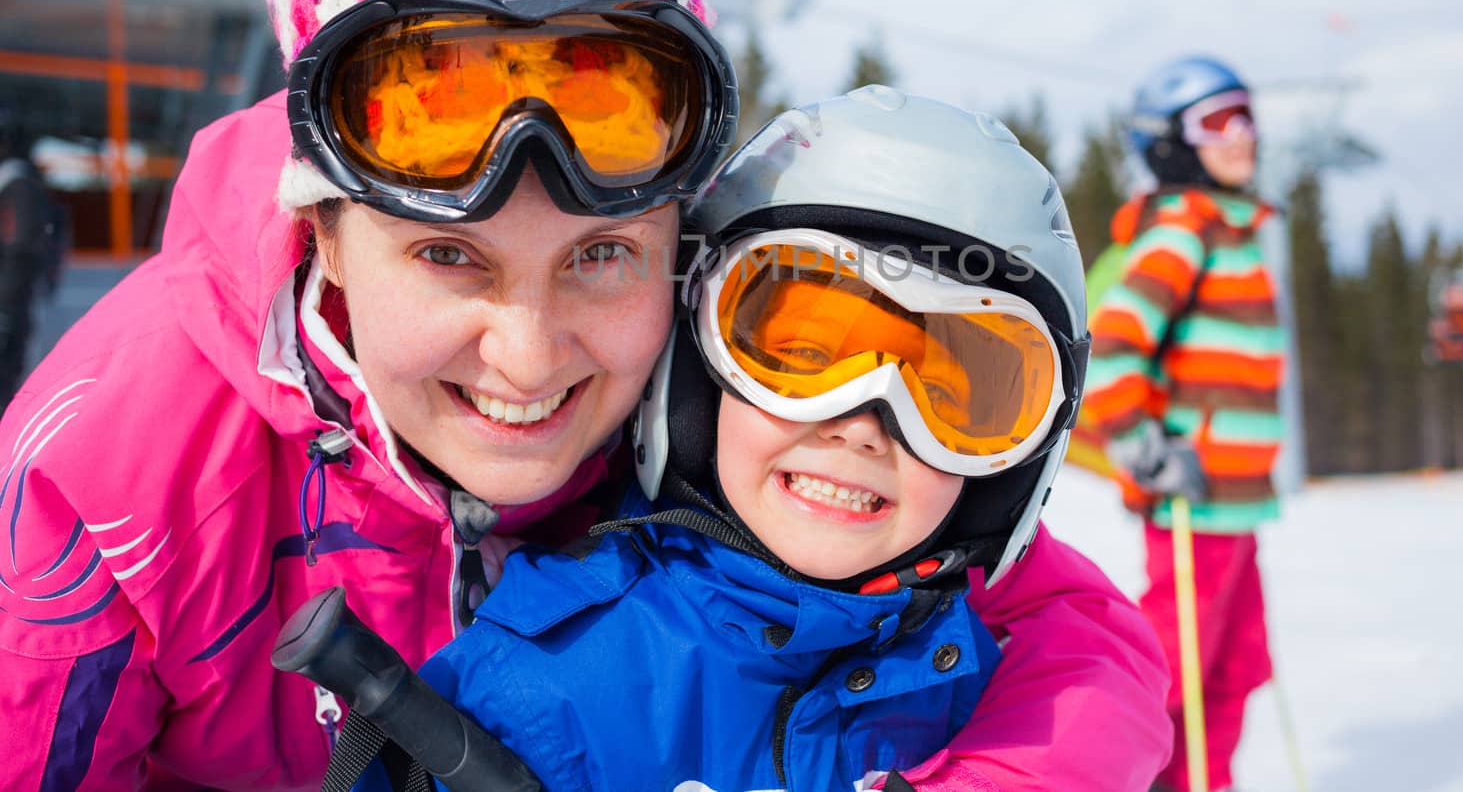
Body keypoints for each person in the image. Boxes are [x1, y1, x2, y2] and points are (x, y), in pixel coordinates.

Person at [0, 0, 1168, 790]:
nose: (529, 355)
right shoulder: (116, 470)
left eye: (601, 254)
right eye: (450, 256)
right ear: (324, 237)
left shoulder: (730, 391)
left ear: (683, 247)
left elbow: (1070, 625)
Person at [366, 89, 1097, 791]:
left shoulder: (985, 692)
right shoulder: (539, 690)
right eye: (802, 360)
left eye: (944, 399)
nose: (862, 424)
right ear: (695, 373)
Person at [1072, 57, 1284, 792]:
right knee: (1172, 656)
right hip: (1194, 492)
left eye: (1247, 115)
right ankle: (1110, 771)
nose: (1243, 136)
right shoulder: (1182, 231)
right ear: (1170, 141)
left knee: (1238, 659)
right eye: (1219, 120)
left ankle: (1199, 779)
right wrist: (1137, 440)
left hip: (1236, 498)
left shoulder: (1233, 232)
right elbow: (1116, 343)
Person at [0, 108, 57, 403]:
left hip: (12, 303)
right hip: (13, 300)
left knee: (8, 376)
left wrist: (6, 304)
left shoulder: (17, 183)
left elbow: (19, 245)